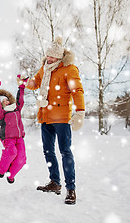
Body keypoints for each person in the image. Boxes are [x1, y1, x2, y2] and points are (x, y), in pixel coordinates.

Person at [24, 37, 85, 205]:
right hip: (45, 116)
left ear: (59, 58)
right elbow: (35, 83)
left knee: (65, 151)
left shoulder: (69, 69)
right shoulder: (45, 69)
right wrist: (24, 81)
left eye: (52, 57)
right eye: (47, 56)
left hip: (62, 118)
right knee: (48, 151)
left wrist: (80, 112)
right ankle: (55, 183)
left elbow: (77, 90)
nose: (48, 59)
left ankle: (71, 189)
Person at [0, 77, 28, 184]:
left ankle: (11, 175)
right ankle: (1, 170)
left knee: (21, 158)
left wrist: (21, 86)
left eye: (6, 99)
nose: (6, 102)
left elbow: (20, 99)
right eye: (3, 101)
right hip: (7, 137)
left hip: (19, 137)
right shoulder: (1, 113)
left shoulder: (16, 109)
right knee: (12, 152)